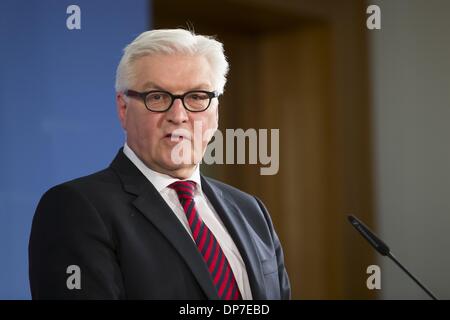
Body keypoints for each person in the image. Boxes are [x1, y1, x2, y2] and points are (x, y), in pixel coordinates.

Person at [29, 29, 291, 300]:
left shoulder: (252, 211)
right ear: (123, 108)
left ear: (215, 110)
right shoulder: (75, 208)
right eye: (157, 97)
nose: (178, 116)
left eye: (197, 97)